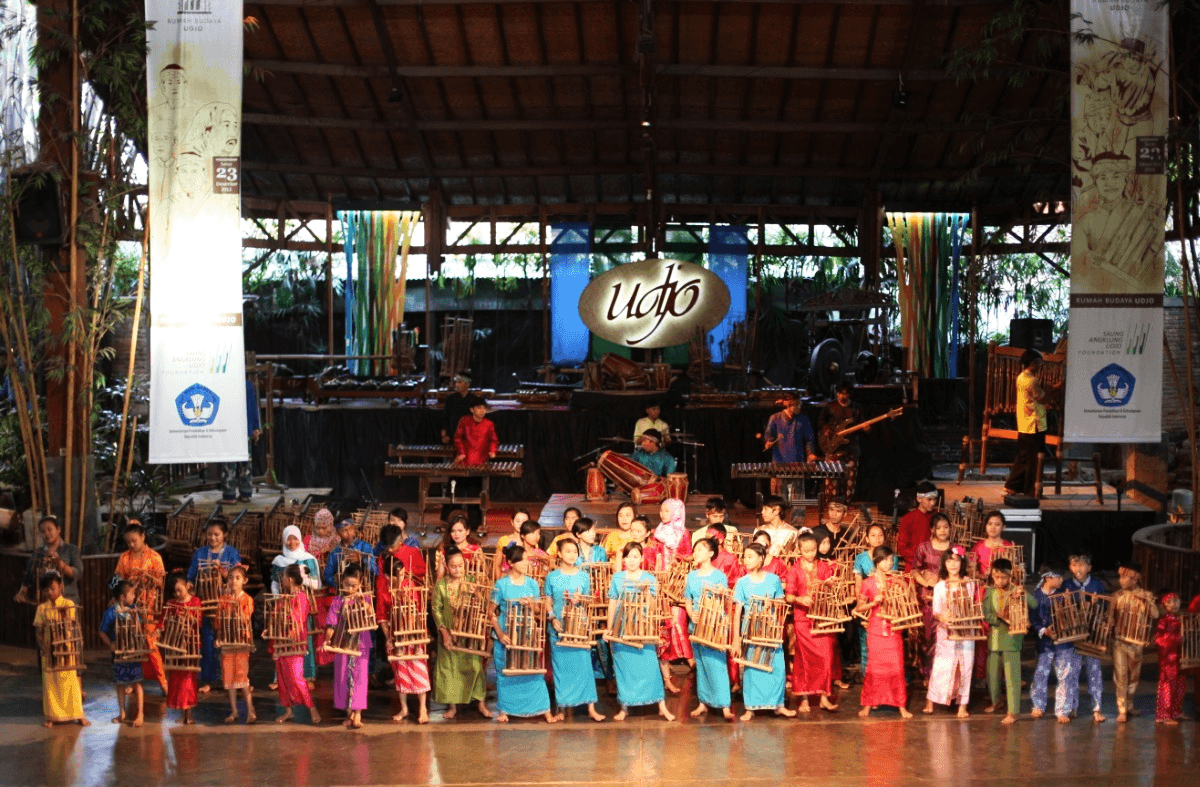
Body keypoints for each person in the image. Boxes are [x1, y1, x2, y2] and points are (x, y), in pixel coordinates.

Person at [606, 541, 675, 721]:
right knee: (623, 669)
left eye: (635, 556)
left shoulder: (649, 579)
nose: (631, 560)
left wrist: (644, 592)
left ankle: (661, 706)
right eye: (628, 557)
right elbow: (612, 603)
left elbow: (653, 605)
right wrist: (609, 628)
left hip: (643, 628)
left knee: (650, 667)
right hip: (621, 627)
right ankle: (624, 707)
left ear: (642, 558)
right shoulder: (617, 578)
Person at [491, 543, 558, 724]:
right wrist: (500, 633)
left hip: (527, 635)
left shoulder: (533, 583)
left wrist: (532, 606)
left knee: (533, 671)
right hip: (507, 635)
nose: (526, 563)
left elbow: (538, 611)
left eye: (527, 560)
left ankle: (544, 710)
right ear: (511, 562)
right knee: (506, 671)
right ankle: (505, 709)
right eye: (522, 560)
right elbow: (491, 613)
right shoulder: (501, 584)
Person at [545, 538, 605, 722]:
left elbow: (590, 600)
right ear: (560, 554)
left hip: (579, 626)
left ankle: (591, 708)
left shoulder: (583, 576)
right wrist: (552, 617)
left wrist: (582, 599)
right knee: (561, 668)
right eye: (568, 551)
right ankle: (562, 707)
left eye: (574, 551)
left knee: (584, 667)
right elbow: (548, 600)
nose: (572, 554)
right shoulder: (552, 576)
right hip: (558, 626)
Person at [734, 543, 796, 721]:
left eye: (750, 556)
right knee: (752, 668)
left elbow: (782, 601)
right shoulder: (742, 582)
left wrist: (773, 603)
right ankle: (750, 707)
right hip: (751, 631)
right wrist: (736, 638)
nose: (746, 560)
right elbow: (738, 612)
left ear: (761, 558)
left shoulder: (773, 579)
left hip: (771, 629)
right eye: (745, 556)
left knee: (777, 667)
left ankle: (779, 706)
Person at [431, 548, 492, 720]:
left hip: (469, 632)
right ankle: (452, 706)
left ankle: (480, 703)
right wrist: (444, 633)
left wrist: (477, 593)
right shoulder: (441, 586)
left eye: (460, 565)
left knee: (475, 667)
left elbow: (485, 606)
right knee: (449, 669)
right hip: (449, 632)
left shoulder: (472, 581)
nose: (458, 570)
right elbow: (437, 611)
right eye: (453, 566)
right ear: (447, 567)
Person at [187, 518, 242, 693]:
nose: (213, 537)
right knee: (208, 643)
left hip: (226, 604)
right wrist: (189, 589)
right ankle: (208, 680)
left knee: (228, 640)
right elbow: (191, 577)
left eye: (216, 534)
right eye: (209, 534)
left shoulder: (232, 553)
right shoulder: (199, 553)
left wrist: (225, 573)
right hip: (205, 604)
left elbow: (238, 577)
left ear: (224, 535)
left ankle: (231, 678)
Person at [857, 546, 913, 719]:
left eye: (891, 560)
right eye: (885, 560)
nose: (889, 563)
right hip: (875, 630)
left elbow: (910, 599)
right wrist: (874, 602)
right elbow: (859, 608)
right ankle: (868, 703)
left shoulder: (896, 580)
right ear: (876, 561)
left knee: (896, 666)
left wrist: (904, 584)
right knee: (874, 668)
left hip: (894, 629)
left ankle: (900, 705)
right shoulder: (868, 583)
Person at [375, 550, 431, 723]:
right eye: (396, 575)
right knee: (400, 672)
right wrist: (388, 636)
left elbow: (418, 611)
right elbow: (382, 617)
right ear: (386, 575)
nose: (400, 578)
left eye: (401, 574)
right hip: (395, 637)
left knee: (418, 669)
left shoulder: (410, 587)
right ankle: (404, 708)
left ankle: (423, 708)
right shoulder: (384, 591)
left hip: (412, 634)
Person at [784, 532, 838, 713]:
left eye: (813, 550)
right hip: (803, 620)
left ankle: (824, 697)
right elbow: (789, 596)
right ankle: (804, 698)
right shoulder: (794, 570)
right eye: (806, 551)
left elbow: (829, 587)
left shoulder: (823, 566)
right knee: (804, 659)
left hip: (822, 617)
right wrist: (801, 599)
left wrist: (831, 583)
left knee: (826, 657)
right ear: (799, 550)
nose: (810, 554)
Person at [113, 522, 168, 693]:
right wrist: (116, 596)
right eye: (128, 542)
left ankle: (163, 681)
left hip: (148, 606)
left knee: (150, 644)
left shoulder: (154, 557)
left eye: (134, 540)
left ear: (143, 536)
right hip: (129, 606)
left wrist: (149, 578)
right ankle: (132, 680)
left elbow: (161, 582)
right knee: (130, 643)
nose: (131, 545)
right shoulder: (124, 557)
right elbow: (116, 580)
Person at [983, 558, 1037, 725]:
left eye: (1003, 577)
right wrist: (996, 618)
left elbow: (1034, 604)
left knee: (1012, 677)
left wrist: (1024, 594)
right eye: (996, 577)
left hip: (1012, 639)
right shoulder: (990, 592)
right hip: (994, 638)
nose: (999, 580)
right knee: (992, 674)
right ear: (992, 575)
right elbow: (986, 613)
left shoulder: (1017, 590)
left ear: (1010, 576)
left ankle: (1013, 711)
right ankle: (996, 701)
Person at [683, 537, 732, 720]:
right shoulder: (691, 576)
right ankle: (703, 702)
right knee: (701, 665)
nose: (696, 553)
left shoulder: (719, 576)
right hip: (696, 625)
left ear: (711, 554)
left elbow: (724, 600)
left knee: (717, 665)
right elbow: (688, 599)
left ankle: (724, 705)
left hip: (714, 626)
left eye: (700, 550)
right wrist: (691, 614)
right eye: (695, 550)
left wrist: (720, 594)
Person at [33, 573, 89, 728]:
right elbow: (38, 630)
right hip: (49, 649)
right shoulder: (41, 608)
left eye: (52, 588)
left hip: (66, 649)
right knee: (50, 684)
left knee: (71, 682)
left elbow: (72, 626)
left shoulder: (68, 603)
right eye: (46, 590)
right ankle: (52, 717)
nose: (49, 592)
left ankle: (79, 715)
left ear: (60, 587)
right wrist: (44, 645)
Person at [925, 547, 975, 718]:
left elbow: (972, 607)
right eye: (949, 560)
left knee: (965, 666)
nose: (952, 564)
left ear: (961, 563)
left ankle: (963, 704)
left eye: (956, 560)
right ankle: (931, 699)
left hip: (966, 630)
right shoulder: (939, 586)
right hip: (945, 631)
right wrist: (942, 617)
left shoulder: (969, 584)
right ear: (944, 564)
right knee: (941, 664)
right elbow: (936, 611)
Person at [270, 525, 321, 685]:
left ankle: (307, 676)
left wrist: (302, 579)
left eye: (295, 538)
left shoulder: (309, 559)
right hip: (284, 606)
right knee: (283, 637)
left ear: (300, 539)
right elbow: (274, 583)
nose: (292, 542)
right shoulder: (279, 561)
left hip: (302, 604)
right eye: (288, 538)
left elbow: (317, 584)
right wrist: (278, 598)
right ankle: (281, 677)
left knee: (303, 637)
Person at [1110, 561, 1159, 723]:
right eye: (1120, 577)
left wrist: (1149, 601)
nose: (1121, 581)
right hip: (1120, 641)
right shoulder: (1117, 596)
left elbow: (1155, 615)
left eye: (1124, 578)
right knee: (1121, 675)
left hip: (1136, 643)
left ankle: (1129, 704)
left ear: (1134, 579)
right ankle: (1122, 708)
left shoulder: (1145, 595)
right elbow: (1109, 618)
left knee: (1134, 677)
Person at [273, 564, 321, 725]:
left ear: (290, 579)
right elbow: (276, 616)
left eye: (284, 577)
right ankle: (288, 711)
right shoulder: (284, 597)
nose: (283, 580)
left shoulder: (300, 597)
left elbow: (297, 618)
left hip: (294, 642)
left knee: (296, 677)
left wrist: (284, 616)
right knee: (283, 676)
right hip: (281, 641)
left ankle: (312, 708)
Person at [1029, 565, 1077, 723]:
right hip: (1045, 644)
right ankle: (1038, 705)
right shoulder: (1035, 596)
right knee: (1041, 674)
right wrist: (1044, 630)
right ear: (1048, 578)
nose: (1062, 580)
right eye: (1059, 577)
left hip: (1063, 643)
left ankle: (1063, 709)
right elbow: (1033, 620)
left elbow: (1071, 616)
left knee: (1065, 675)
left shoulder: (1063, 596)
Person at [325, 564, 371, 729]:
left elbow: (370, 614)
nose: (350, 589)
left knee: (359, 678)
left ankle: (358, 714)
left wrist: (362, 604)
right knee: (343, 677)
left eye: (354, 586)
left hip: (361, 644)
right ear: (341, 583)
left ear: (360, 584)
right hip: (342, 642)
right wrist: (327, 639)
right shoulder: (337, 601)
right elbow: (331, 623)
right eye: (347, 585)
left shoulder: (365, 599)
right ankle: (348, 713)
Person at [1064, 552, 1107, 722]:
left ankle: (1096, 708)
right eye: (1074, 565)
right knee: (1072, 672)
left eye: (1082, 565)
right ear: (1070, 567)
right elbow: (1059, 608)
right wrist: (1066, 601)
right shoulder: (1066, 585)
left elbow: (1104, 607)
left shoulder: (1097, 584)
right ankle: (1072, 706)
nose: (1078, 568)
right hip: (1073, 635)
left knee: (1094, 671)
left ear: (1089, 568)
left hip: (1092, 635)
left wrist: (1097, 604)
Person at [912, 512, 953, 680]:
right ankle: (927, 673)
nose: (943, 530)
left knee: (945, 634)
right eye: (939, 527)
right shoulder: (924, 547)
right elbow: (914, 569)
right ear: (932, 530)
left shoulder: (954, 549)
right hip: (927, 595)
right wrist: (924, 582)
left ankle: (943, 673)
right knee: (927, 634)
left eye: (946, 527)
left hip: (948, 595)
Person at [1005, 349, 1050, 497]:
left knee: (1023, 457)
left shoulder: (1020, 377)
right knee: (1034, 460)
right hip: (1034, 424)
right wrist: (1056, 389)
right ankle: (1031, 491)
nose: (1039, 366)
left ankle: (1012, 486)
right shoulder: (1032, 380)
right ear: (1031, 363)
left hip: (1024, 423)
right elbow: (1042, 398)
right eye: (1037, 363)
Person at [98, 581, 144, 727]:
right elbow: (102, 631)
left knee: (137, 682)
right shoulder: (111, 612)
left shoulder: (134, 609)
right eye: (132, 594)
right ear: (122, 597)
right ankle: (122, 712)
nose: (134, 596)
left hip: (134, 651)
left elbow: (141, 627)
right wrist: (110, 644)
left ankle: (140, 713)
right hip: (119, 654)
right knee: (120, 684)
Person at [15, 515, 83, 606]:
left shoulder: (71, 549)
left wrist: (61, 564)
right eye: (43, 531)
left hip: (68, 601)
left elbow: (78, 574)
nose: (46, 534)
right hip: (44, 604)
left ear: (58, 530)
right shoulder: (37, 553)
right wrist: (22, 591)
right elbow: (28, 576)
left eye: (49, 529)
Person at [163, 572, 201, 725]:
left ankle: (189, 712)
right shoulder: (171, 603)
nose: (178, 594)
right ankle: (182, 711)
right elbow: (163, 621)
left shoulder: (196, 602)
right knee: (177, 678)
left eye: (180, 590)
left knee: (188, 678)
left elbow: (198, 622)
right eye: (175, 592)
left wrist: (189, 617)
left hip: (190, 645)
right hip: (175, 645)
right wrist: (159, 629)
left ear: (188, 586)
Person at [220, 566, 256, 724]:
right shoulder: (223, 600)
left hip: (241, 642)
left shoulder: (247, 599)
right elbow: (219, 622)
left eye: (237, 578)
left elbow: (245, 620)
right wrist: (218, 638)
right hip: (227, 642)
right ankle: (234, 711)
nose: (233, 581)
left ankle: (250, 710)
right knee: (229, 678)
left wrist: (235, 607)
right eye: (230, 578)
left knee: (242, 676)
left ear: (244, 581)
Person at [304, 508, 339, 667]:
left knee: (330, 623)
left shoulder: (336, 540)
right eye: (317, 527)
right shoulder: (307, 540)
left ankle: (332, 657)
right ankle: (318, 660)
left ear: (331, 526)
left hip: (331, 590)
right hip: (313, 589)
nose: (320, 531)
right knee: (316, 623)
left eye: (324, 528)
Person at [818, 381, 863, 500]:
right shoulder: (829, 407)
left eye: (846, 394)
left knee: (850, 477)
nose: (843, 396)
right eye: (841, 394)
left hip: (850, 447)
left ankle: (847, 502)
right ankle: (831, 501)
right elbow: (821, 422)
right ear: (837, 394)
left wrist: (865, 428)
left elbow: (860, 427)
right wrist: (826, 429)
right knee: (831, 476)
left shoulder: (856, 408)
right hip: (833, 446)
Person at [852, 524, 888, 671]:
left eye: (880, 535)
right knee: (866, 642)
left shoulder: (890, 557)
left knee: (885, 644)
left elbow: (890, 582)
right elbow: (858, 584)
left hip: (885, 602)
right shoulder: (860, 558)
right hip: (867, 601)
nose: (877, 538)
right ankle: (866, 676)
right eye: (873, 535)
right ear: (866, 538)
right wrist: (862, 606)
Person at [221, 377, 261, 502]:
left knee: (229, 463)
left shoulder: (223, 384)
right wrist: (255, 427)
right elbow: (253, 407)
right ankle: (245, 494)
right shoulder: (248, 385)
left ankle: (229, 495)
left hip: (229, 429)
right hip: (245, 429)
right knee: (245, 463)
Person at [1154, 591, 1184, 725]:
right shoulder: (1163, 621)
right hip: (1168, 659)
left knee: (1180, 685)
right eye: (1170, 602)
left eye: (1176, 601)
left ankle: (1176, 711)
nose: (1174, 604)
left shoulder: (1182, 618)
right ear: (1164, 605)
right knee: (1168, 686)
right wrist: (1176, 639)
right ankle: (1165, 715)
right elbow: (1159, 639)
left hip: (1181, 657)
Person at [762, 392, 816, 464]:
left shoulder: (803, 419)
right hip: (779, 462)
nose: (799, 407)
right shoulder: (775, 418)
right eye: (796, 405)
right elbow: (769, 436)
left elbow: (809, 440)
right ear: (787, 405)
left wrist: (810, 453)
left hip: (798, 462)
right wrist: (768, 443)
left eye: (799, 404)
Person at [897, 482, 938, 571]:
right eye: (929, 499)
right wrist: (921, 558)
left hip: (935, 566)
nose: (932, 503)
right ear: (919, 499)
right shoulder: (908, 519)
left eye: (934, 499)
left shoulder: (937, 517)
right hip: (913, 566)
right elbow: (902, 547)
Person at [324, 518, 374, 588]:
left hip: (363, 589)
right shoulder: (335, 552)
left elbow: (374, 570)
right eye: (344, 530)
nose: (349, 532)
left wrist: (362, 560)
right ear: (338, 533)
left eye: (350, 528)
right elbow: (328, 576)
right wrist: (337, 580)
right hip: (344, 590)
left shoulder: (365, 546)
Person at [453, 394, 498, 466]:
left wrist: (492, 451)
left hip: (481, 460)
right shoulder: (464, 421)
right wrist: (461, 452)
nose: (482, 411)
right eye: (479, 408)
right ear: (472, 410)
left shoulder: (489, 424)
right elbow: (458, 438)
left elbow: (493, 440)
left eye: (484, 408)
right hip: (465, 458)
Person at [437, 514, 482, 580]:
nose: (456, 534)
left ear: (467, 531)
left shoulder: (476, 550)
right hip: (451, 587)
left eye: (460, 531)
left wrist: (481, 562)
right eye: (453, 531)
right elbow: (440, 577)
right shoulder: (445, 551)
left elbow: (485, 573)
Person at [493, 509, 531, 575]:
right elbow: (497, 565)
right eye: (517, 521)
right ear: (512, 522)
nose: (521, 524)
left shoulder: (531, 541)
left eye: (524, 522)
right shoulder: (504, 540)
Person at [758, 495, 796, 560]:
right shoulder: (759, 531)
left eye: (766, 509)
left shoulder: (792, 532)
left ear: (776, 510)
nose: (762, 512)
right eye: (762, 509)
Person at [440, 372, 473, 445]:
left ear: (467, 384)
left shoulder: (474, 400)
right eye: (456, 383)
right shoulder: (450, 399)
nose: (456, 385)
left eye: (459, 382)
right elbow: (445, 416)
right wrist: (444, 433)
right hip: (453, 434)